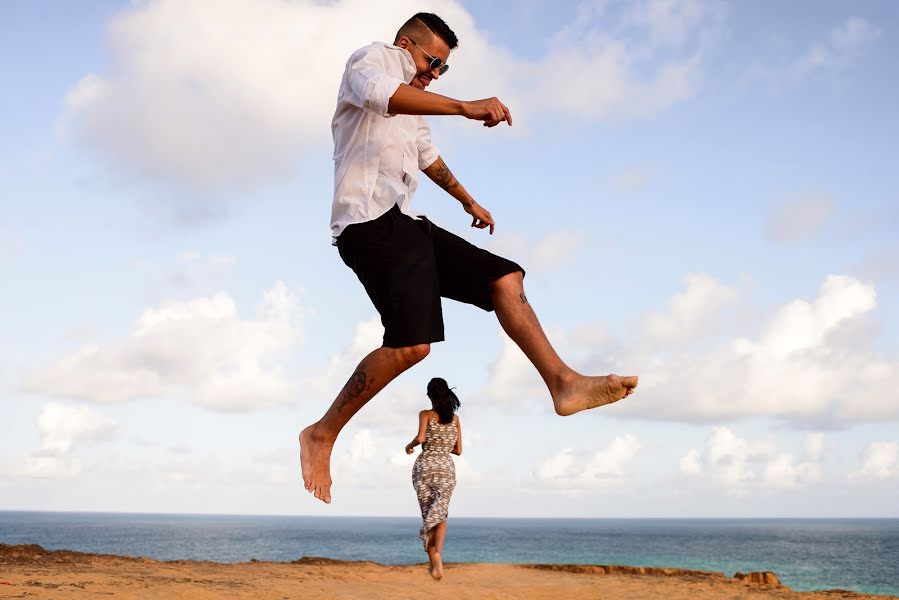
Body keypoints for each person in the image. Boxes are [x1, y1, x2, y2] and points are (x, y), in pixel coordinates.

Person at [299, 12, 638, 504]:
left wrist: (467, 201)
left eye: (444, 70)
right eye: (433, 61)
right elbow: (382, 95)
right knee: (412, 346)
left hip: (406, 223)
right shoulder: (374, 59)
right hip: (368, 224)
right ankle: (321, 433)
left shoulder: (415, 102)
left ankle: (563, 383)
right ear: (406, 44)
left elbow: (426, 156)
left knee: (506, 277)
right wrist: (462, 106)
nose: (435, 73)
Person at [405, 377, 461, 580]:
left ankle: (434, 562)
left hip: (425, 467)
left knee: (428, 514)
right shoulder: (454, 419)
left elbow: (420, 439)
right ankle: (438, 554)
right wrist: (443, 447)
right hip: (446, 468)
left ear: (430, 395)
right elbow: (458, 450)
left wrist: (409, 445)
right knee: (441, 514)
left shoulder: (426, 414)